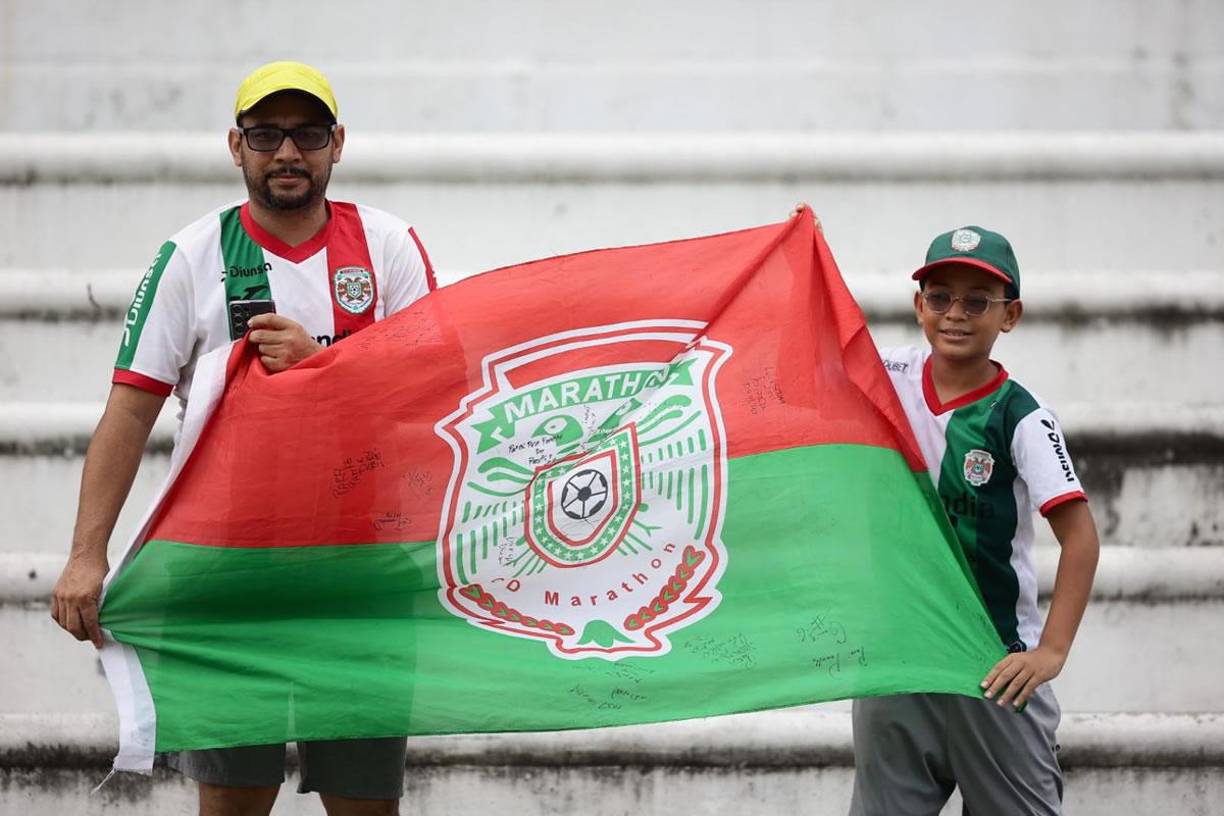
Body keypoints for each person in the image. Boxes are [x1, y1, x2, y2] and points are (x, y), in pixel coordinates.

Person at [50, 60, 435, 816]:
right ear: (236, 146)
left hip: (360, 578)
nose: (287, 152)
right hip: (230, 579)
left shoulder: (389, 247)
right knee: (233, 802)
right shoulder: (192, 256)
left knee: (365, 804)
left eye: (307, 133)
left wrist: (324, 369)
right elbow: (130, 412)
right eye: (266, 134)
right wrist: (86, 553)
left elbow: (434, 398)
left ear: (337, 143)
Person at [849, 225, 1100, 815]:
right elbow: (813, 358)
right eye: (940, 297)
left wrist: (1051, 652)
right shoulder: (888, 376)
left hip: (992, 670)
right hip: (899, 661)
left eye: (976, 301)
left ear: (1009, 315)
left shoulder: (1022, 417)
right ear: (919, 306)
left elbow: (1080, 537)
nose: (955, 314)